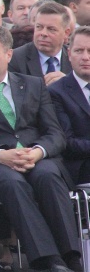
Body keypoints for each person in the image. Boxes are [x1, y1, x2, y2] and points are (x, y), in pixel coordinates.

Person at [0, 26, 81, 272]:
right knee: (13, 183)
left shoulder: (33, 85)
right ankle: (47, 260)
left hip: (36, 156)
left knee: (48, 176)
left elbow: (55, 133)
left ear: (8, 55)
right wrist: (1, 156)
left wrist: (38, 151)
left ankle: (71, 258)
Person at [49, 26, 90, 184]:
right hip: (81, 165)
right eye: (79, 51)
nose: (85, 57)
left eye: (89, 50)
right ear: (69, 54)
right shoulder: (56, 93)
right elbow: (66, 141)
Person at [8, 2, 72, 85]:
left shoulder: (76, 58)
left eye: (51, 29)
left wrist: (68, 83)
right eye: (39, 27)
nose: (43, 33)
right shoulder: (15, 59)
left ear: (66, 33)